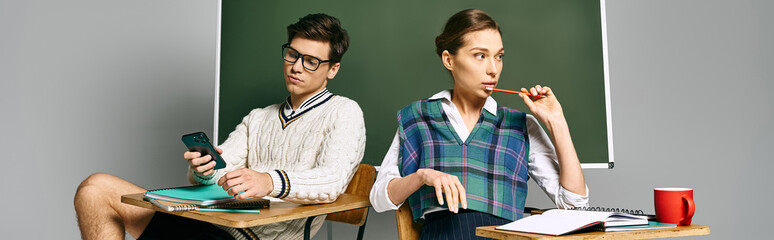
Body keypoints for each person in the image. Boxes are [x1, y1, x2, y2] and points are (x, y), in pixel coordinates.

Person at [74, 13, 366, 240]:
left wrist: (268, 181)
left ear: (333, 69)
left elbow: (331, 181)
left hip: (249, 236)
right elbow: (222, 175)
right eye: (292, 54)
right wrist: (206, 170)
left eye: (311, 61)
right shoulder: (259, 117)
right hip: (208, 221)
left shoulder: (344, 112)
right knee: (94, 188)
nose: (297, 66)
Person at [369, 9, 589, 239]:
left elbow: (575, 205)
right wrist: (422, 176)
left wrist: (557, 121)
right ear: (449, 60)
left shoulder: (521, 125)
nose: (493, 69)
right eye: (480, 55)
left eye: (499, 56)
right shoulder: (417, 117)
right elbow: (379, 199)